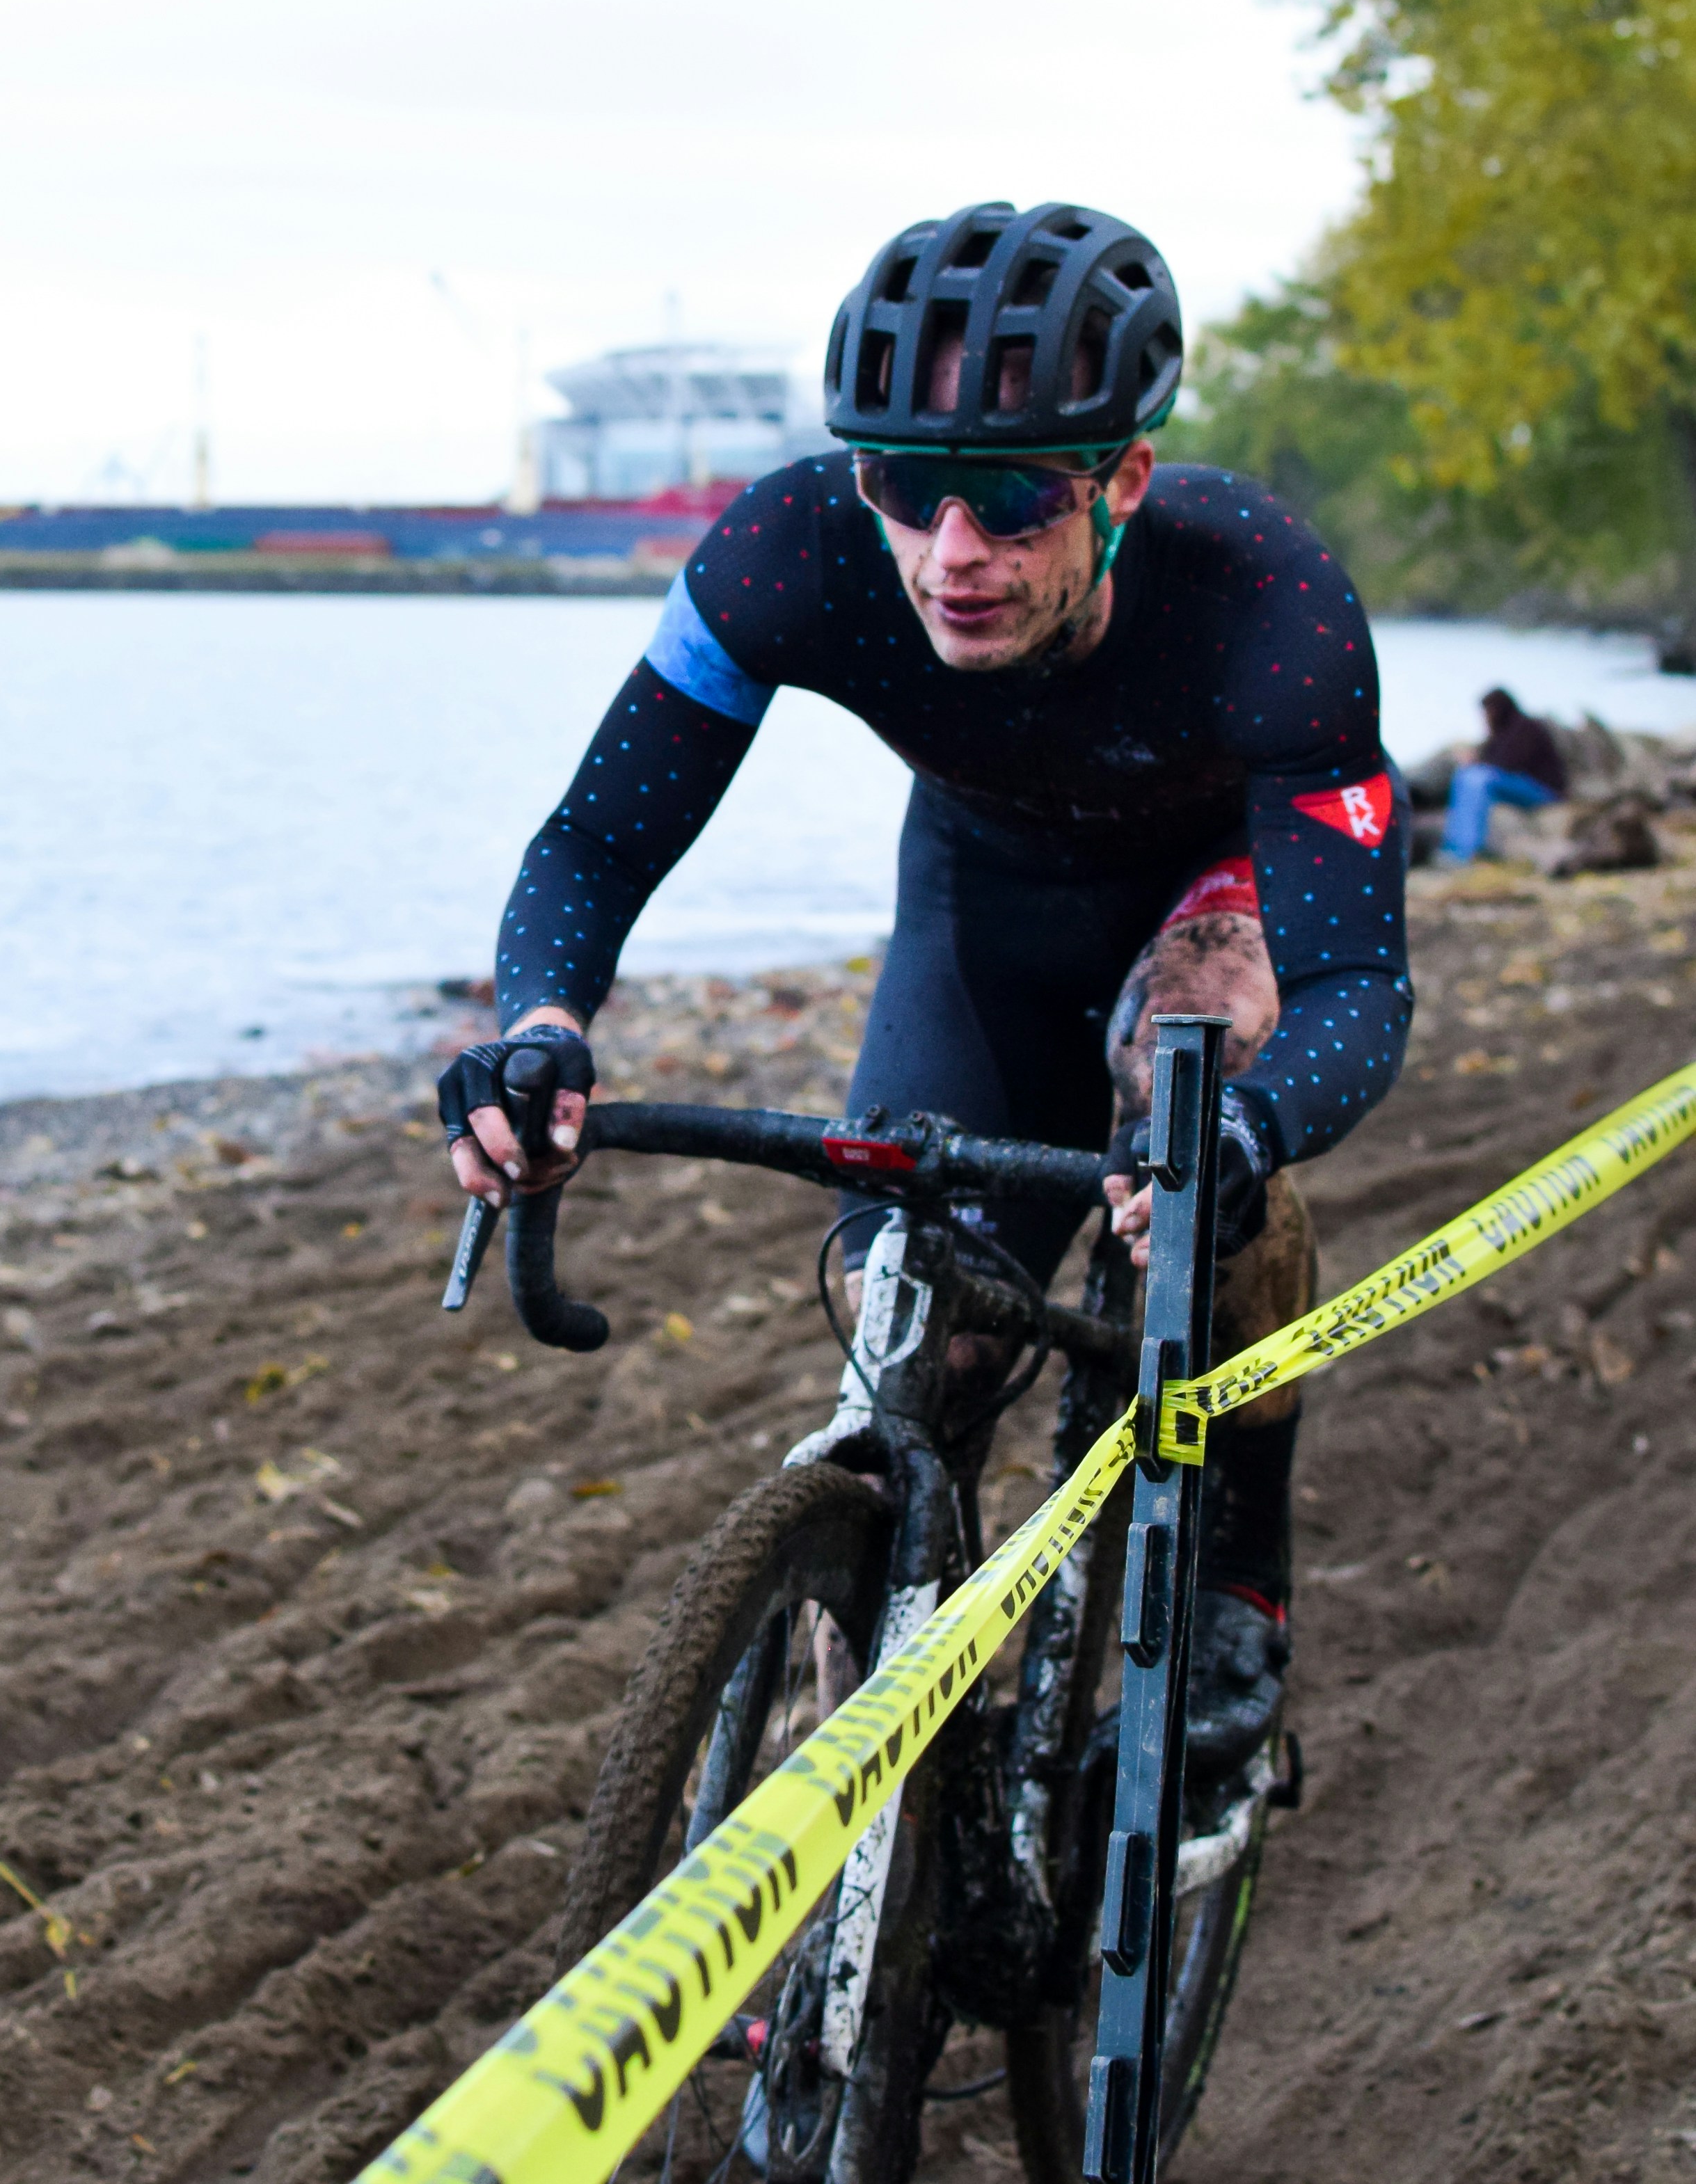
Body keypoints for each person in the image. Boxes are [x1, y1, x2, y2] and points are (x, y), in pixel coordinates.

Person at [440, 200, 1412, 1777]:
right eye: (905, 490)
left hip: (1208, 896)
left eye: (1015, 500)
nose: (951, 557)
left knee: (1187, 1054)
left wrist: (1252, 1126)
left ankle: (1237, 1572)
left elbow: (1358, 975)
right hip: (980, 904)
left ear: (1121, 482)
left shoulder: (1266, 598)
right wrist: (540, 1029)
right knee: (916, 1342)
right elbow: (595, 838)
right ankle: (881, 1855)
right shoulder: (786, 547)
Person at [1440, 687, 1569, 862]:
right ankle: (1454, 846)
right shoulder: (1501, 733)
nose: (1486, 716)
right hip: (1519, 786)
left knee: (1478, 779)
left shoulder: (1527, 728)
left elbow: (1510, 764)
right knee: (1465, 774)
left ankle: (1465, 851)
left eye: (1488, 710)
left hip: (1544, 790)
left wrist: (1478, 762)